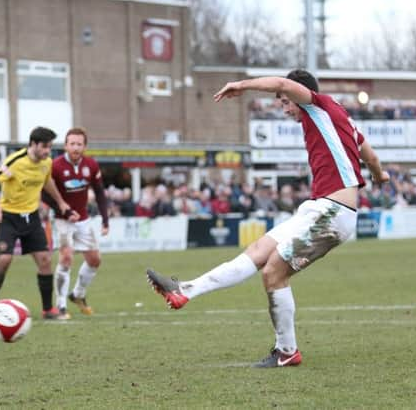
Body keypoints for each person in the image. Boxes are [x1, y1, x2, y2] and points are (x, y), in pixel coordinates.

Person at [146, 69, 389, 368]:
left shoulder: (318, 104)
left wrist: (241, 85)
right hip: (318, 209)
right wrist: (380, 176)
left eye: (286, 101)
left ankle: (287, 351)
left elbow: (282, 82)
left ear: (300, 94)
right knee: (258, 251)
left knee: (273, 274)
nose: (285, 108)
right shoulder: (341, 119)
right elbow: (373, 159)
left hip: (332, 212)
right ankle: (185, 291)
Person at [0, 126, 78, 321]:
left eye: (50, 148)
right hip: (9, 216)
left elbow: (47, 181)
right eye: (44, 147)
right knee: (4, 260)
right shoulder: (16, 161)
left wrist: (61, 203)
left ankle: (48, 310)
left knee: (45, 260)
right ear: (33, 144)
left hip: (32, 217)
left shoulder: (46, 163)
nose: (47, 152)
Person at [45, 127, 110, 318]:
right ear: (65, 145)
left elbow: (99, 192)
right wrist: (63, 210)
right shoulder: (55, 166)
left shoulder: (91, 165)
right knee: (66, 257)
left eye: (79, 144)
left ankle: (78, 295)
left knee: (94, 260)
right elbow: (44, 194)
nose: (75, 147)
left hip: (83, 219)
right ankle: (61, 305)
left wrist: (105, 220)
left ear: (85, 146)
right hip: (61, 220)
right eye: (72, 143)